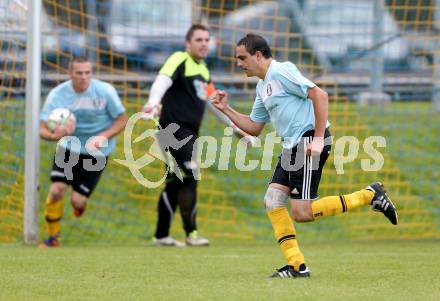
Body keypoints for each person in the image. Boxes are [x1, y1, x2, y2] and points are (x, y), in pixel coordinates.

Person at [210, 33, 398, 277]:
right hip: (292, 147)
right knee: (273, 200)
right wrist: (226, 109)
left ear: (258, 55)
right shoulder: (262, 86)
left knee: (302, 213)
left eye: (242, 57)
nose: (238, 63)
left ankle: (369, 195)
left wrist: (319, 138)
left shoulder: (280, 72)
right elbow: (255, 127)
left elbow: (320, 95)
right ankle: (297, 266)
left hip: (308, 141)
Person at [142, 24, 254, 247]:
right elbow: (162, 81)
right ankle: (190, 234)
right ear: (188, 43)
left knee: (180, 179)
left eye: (206, 40)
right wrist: (153, 103)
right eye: (199, 40)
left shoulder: (203, 70)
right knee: (191, 172)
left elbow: (215, 105)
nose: (204, 44)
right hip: (170, 129)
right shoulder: (179, 59)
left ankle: (163, 235)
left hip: (189, 134)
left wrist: (238, 131)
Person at [39, 57, 127, 248]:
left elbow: (122, 119)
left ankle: (80, 206)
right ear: (70, 74)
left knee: (77, 201)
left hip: (97, 152)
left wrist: (104, 136)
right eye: (79, 73)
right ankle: (53, 239)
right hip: (69, 147)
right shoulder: (58, 95)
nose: (84, 77)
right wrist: (56, 136)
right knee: (56, 190)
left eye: (88, 72)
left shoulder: (105, 91)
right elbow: (41, 129)